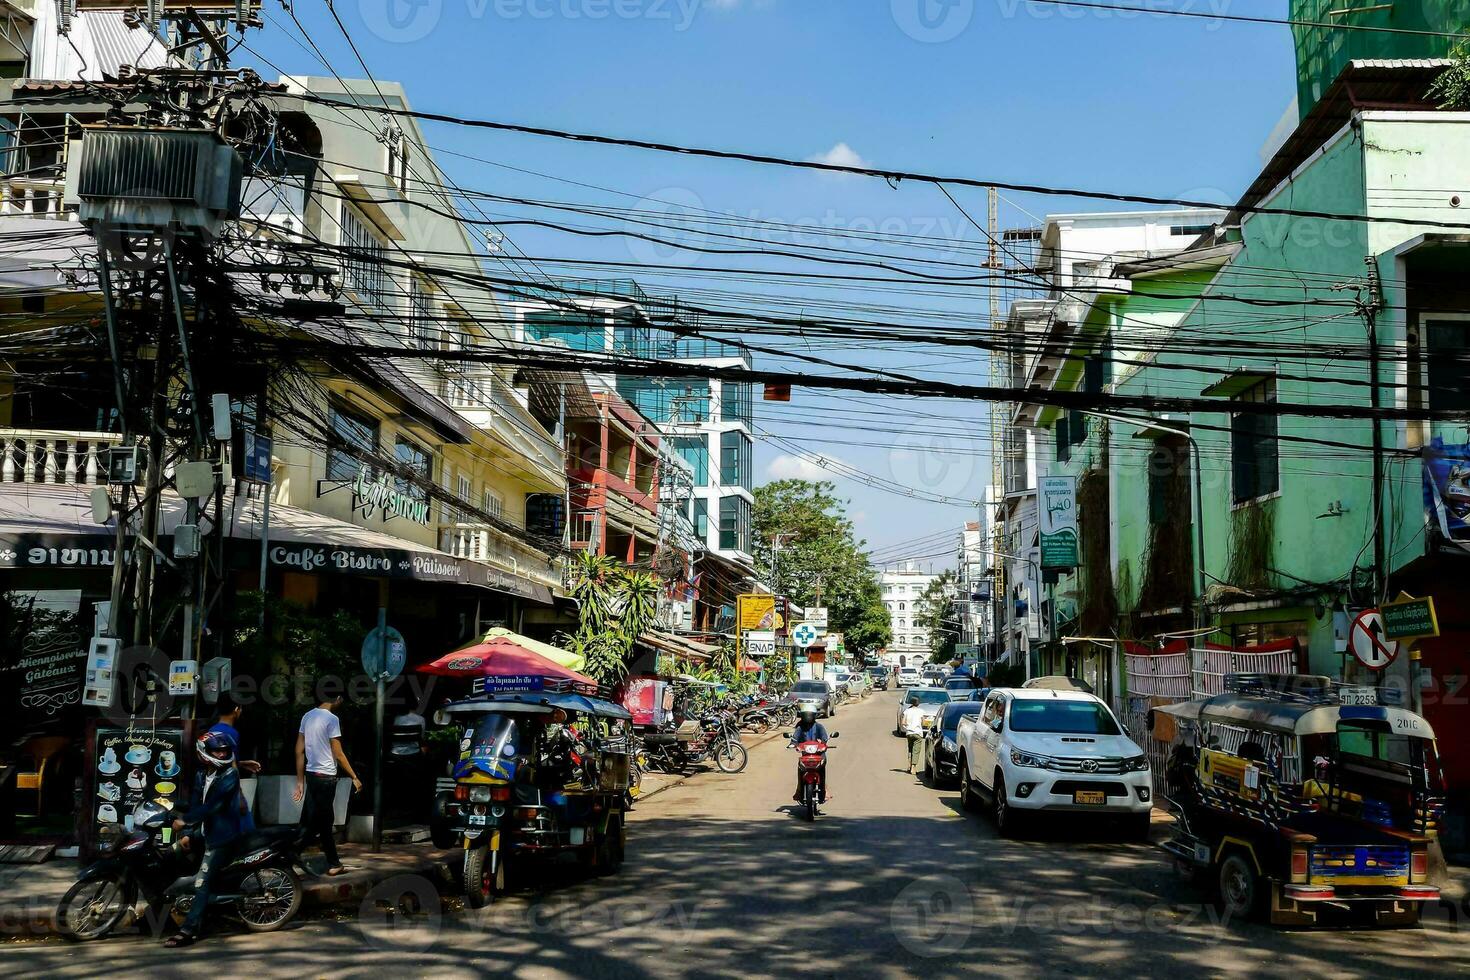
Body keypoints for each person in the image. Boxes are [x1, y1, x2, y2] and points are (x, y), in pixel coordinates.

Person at [164, 731, 254, 948]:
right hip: (203, 832)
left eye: (225, 750)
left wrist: (184, 822)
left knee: (201, 883)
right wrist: (186, 833)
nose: (222, 754)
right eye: (217, 750)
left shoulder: (230, 776)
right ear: (204, 753)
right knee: (170, 855)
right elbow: (196, 803)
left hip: (222, 837)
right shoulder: (200, 775)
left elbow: (212, 807)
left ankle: (188, 931)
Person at [293, 693, 361, 877]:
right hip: (326, 777)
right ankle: (291, 853)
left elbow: (299, 750)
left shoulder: (307, 716)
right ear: (337, 698)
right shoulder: (332, 719)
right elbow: (338, 753)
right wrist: (354, 776)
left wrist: (300, 781)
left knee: (317, 821)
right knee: (318, 822)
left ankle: (333, 862)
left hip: (312, 775)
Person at [204, 692, 260, 775]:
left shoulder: (212, 730)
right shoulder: (231, 733)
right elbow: (230, 766)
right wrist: (237, 786)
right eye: (241, 708)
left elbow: (220, 761)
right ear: (236, 709)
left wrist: (241, 764)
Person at [788, 708, 830, 803]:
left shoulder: (819, 726)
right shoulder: (800, 728)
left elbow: (824, 737)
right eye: (806, 714)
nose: (808, 717)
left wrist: (823, 743)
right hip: (805, 756)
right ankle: (799, 790)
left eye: (810, 714)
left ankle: (824, 790)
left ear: (814, 715)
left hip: (819, 755)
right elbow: (794, 739)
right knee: (800, 771)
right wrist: (793, 744)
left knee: (822, 770)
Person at [902, 700, 928, 774]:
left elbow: (903, 722)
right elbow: (923, 722)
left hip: (909, 733)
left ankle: (909, 765)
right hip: (917, 733)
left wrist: (908, 727)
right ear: (918, 703)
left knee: (910, 749)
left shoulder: (907, 711)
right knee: (916, 751)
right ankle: (913, 768)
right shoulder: (921, 711)